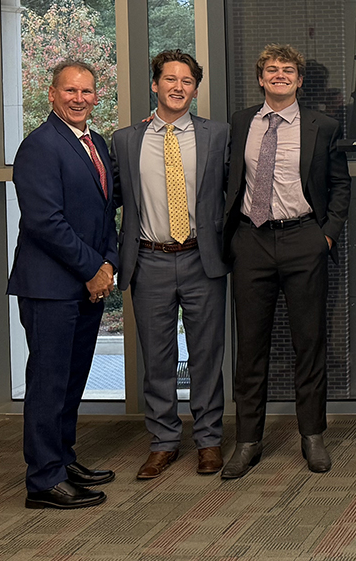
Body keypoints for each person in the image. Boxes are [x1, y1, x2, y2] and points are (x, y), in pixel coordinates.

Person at [220, 44, 350, 479]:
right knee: (250, 348)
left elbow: (339, 186)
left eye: (287, 70)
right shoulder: (241, 123)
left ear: (298, 80)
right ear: (260, 79)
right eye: (271, 70)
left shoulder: (323, 126)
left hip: (303, 240)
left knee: (309, 344)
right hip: (251, 241)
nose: (279, 75)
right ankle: (248, 442)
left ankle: (312, 436)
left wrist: (325, 236)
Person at [110, 50, 230, 479]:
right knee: (156, 359)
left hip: (203, 258)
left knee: (206, 355)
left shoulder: (218, 135)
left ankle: (209, 441)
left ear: (195, 89)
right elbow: (115, 198)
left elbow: (232, 193)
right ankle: (162, 442)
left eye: (187, 81)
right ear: (155, 85)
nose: (178, 87)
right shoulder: (126, 140)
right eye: (170, 79)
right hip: (149, 260)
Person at [8, 60, 118, 509]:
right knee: (48, 383)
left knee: (72, 382)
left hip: (86, 284)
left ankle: (62, 458)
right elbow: (44, 222)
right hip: (51, 287)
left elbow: (106, 210)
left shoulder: (96, 142)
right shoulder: (38, 146)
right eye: (70, 91)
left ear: (96, 97)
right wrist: (93, 268)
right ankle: (43, 480)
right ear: (52, 94)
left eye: (87, 92)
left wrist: (108, 263)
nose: (79, 99)